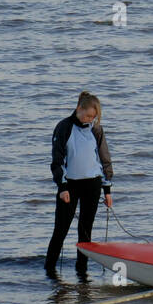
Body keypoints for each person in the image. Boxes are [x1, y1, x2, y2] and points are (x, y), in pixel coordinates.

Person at [45, 91, 113, 277]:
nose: (90, 119)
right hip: (70, 186)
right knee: (61, 229)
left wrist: (107, 190)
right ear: (78, 109)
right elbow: (57, 161)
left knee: (85, 231)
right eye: (88, 115)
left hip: (92, 185)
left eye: (94, 117)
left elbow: (104, 159)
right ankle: (49, 270)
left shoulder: (96, 130)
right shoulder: (64, 127)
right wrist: (62, 187)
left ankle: (81, 272)